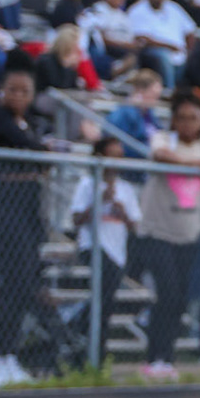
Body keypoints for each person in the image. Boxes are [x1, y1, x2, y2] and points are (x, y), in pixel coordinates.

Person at [0, 67, 76, 372]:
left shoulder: (32, 122)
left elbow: (40, 157)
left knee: (25, 284)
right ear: (2, 90)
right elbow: (28, 147)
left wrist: (39, 158)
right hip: (2, 209)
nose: (18, 96)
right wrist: (40, 155)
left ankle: (8, 354)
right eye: (13, 89)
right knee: (15, 282)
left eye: (25, 91)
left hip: (29, 210)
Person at [138, 92, 200, 375]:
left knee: (180, 298)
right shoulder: (165, 139)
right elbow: (159, 154)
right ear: (174, 121)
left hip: (189, 234)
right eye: (183, 118)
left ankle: (167, 357)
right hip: (158, 231)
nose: (188, 124)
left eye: (194, 118)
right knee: (167, 292)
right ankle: (154, 357)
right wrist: (199, 165)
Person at [69, 138, 142, 350]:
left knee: (107, 301)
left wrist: (123, 213)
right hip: (92, 246)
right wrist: (99, 201)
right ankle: (82, 330)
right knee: (103, 294)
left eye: (119, 157)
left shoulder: (125, 189)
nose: (115, 162)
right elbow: (76, 219)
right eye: (111, 156)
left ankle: (92, 343)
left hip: (117, 250)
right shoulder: (87, 184)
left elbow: (135, 226)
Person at [125, 0, 196, 87]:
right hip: (151, 51)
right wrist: (169, 46)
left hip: (179, 52)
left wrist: (189, 51)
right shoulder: (138, 9)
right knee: (163, 57)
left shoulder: (174, 8)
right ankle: (169, 91)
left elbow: (190, 31)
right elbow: (142, 38)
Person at [79, 0, 137, 78]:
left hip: (124, 48)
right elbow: (98, 36)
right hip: (106, 47)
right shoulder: (99, 9)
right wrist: (122, 44)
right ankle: (112, 70)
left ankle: (122, 74)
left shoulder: (123, 15)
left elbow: (130, 37)